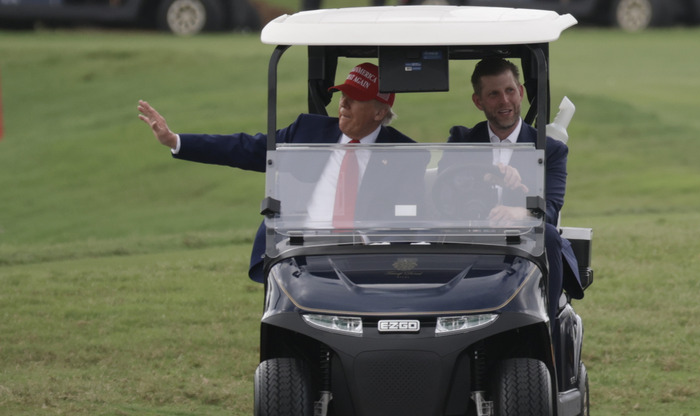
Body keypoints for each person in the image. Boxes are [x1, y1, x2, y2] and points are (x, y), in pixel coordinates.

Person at [138, 62, 425, 283]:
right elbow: (247, 148)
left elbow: (410, 221)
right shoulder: (308, 130)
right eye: (342, 95)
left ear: (379, 112)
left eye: (355, 98)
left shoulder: (404, 155)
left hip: (364, 260)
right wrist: (176, 141)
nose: (343, 104)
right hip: (299, 256)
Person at [439, 57, 584, 326]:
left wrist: (521, 210)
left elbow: (549, 209)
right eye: (493, 94)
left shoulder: (550, 150)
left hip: (523, 245)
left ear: (521, 92)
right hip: (470, 237)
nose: (504, 101)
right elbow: (445, 194)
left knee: (549, 234)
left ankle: (546, 329)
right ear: (478, 101)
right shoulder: (462, 140)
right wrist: (486, 175)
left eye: (509, 91)